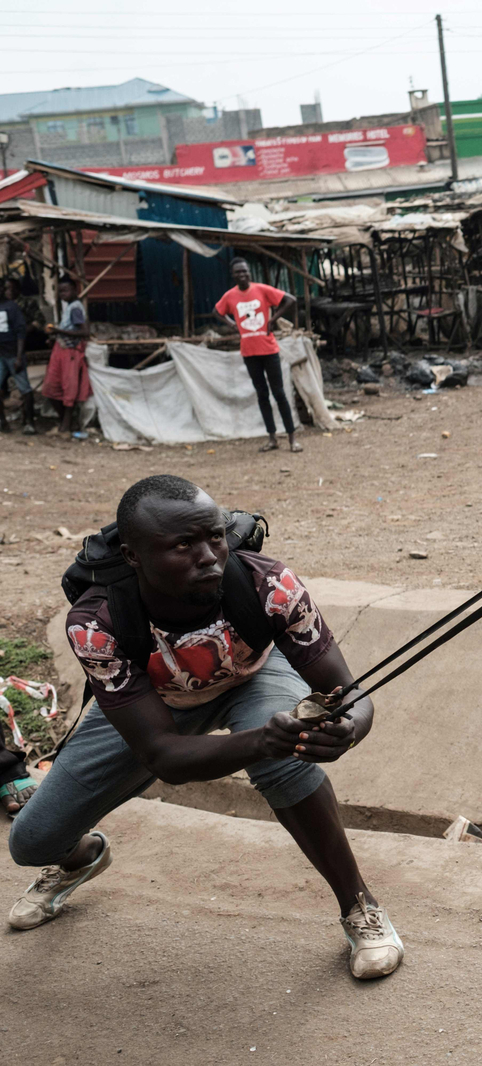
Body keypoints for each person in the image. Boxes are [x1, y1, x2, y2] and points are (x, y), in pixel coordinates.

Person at [7, 475, 404, 980]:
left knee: (284, 756)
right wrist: (262, 740)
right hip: (157, 703)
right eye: (182, 545)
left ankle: (359, 905)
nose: (210, 556)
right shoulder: (96, 623)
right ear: (133, 557)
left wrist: (349, 726)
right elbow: (163, 757)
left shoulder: (271, 585)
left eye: (214, 536)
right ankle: (81, 857)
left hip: (254, 676)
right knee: (30, 842)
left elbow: (349, 690)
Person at [214, 259, 300, 454]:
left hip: (269, 351)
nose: (242, 275)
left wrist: (273, 320)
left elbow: (291, 300)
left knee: (279, 393)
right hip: (249, 353)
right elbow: (217, 311)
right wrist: (231, 325)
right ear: (233, 275)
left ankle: (292, 438)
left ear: (249, 272)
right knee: (262, 395)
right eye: (238, 273)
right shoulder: (230, 296)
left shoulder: (262, 290)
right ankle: (272, 438)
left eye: (245, 271)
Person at [41, 276, 91, 438]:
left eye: (66, 290)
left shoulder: (76, 308)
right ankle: (66, 422)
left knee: (68, 389)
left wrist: (58, 332)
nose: (63, 294)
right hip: (61, 350)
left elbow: (84, 332)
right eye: (60, 291)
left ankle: (65, 426)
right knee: (52, 388)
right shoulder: (69, 307)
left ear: (75, 290)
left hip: (70, 353)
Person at [0, 277, 36, 435]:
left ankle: (29, 422)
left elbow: (21, 332)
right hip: (0, 354)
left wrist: (19, 357)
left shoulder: (12, 307)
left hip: (13, 353)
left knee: (24, 388)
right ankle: (3, 422)